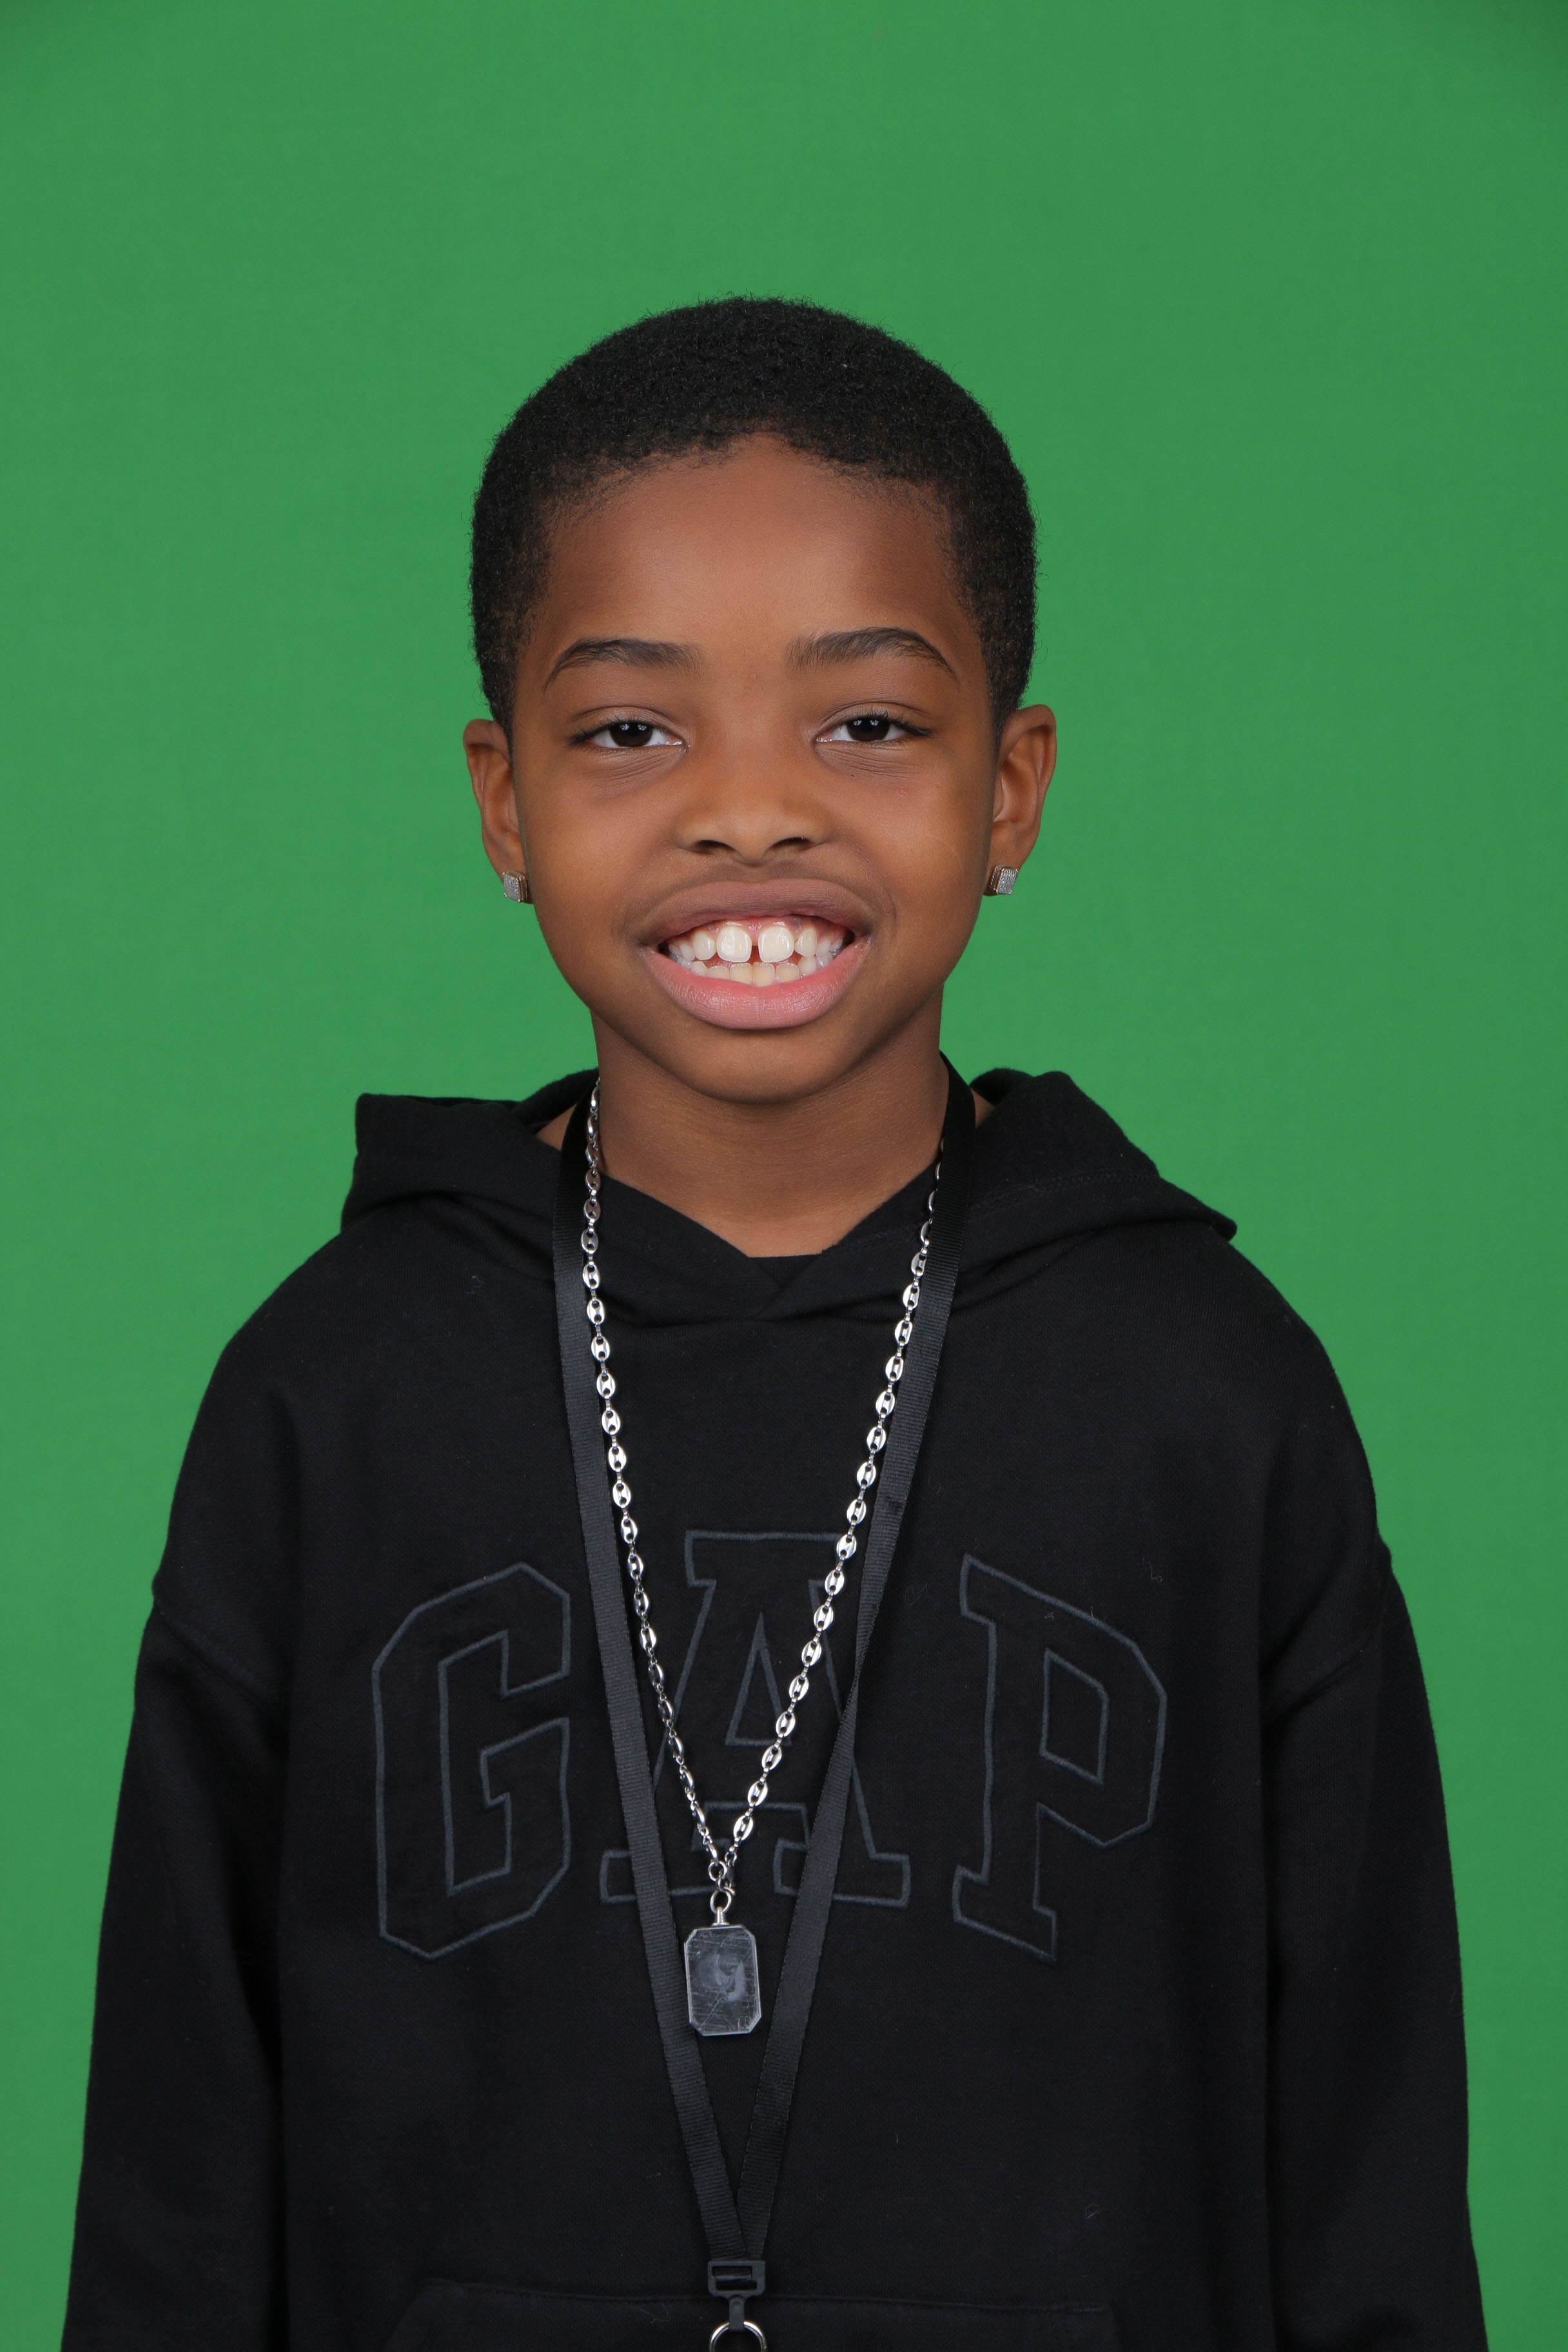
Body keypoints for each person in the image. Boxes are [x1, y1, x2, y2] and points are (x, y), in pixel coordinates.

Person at [63, 299, 1487, 2351]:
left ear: (1012, 790)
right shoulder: (330, 1393)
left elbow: (1367, 2181)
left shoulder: (1210, 1394)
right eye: (631, 732)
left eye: (868, 725)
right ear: (502, 801)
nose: (749, 810)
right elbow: (176, 2184)